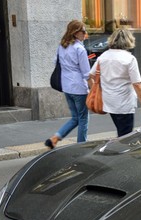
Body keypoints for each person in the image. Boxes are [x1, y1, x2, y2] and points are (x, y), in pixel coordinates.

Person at [89, 28, 141, 137]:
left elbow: (91, 76)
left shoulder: (103, 56)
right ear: (128, 40)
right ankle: (119, 152)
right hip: (124, 103)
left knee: (121, 130)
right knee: (125, 136)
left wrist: (97, 89)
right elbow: (137, 84)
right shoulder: (129, 59)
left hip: (108, 101)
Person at [45, 20, 91, 149]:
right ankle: (81, 147)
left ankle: (55, 138)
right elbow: (86, 73)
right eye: (83, 31)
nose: (85, 33)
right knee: (83, 119)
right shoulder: (79, 49)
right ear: (75, 33)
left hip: (66, 87)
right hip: (79, 88)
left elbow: (56, 62)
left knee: (75, 117)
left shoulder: (62, 46)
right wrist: (93, 88)